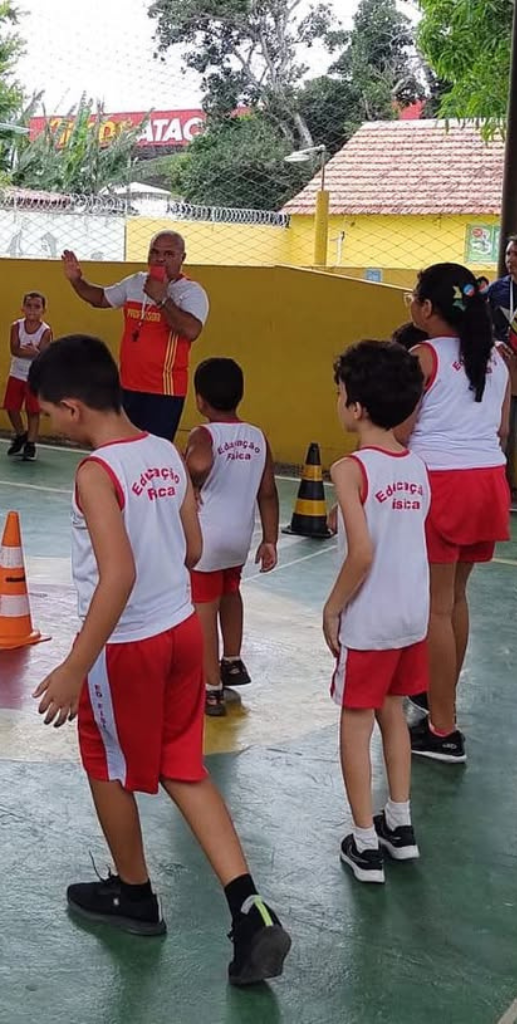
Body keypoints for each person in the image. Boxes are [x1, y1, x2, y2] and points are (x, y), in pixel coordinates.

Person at [27, 334, 290, 987]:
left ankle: (133, 892)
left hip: (128, 647)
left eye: (51, 413)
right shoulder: (164, 451)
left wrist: (72, 667)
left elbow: (115, 577)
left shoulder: (97, 472)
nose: (53, 426)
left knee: (106, 762)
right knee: (185, 768)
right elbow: (194, 549)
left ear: (73, 408)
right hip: (180, 634)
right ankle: (249, 908)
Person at [324, 341, 428, 884]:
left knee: (354, 723)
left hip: (371, 618)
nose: (338, 402)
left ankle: (364, 842)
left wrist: (333, 608)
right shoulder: (417, 465)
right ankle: (400, 825)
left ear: (357, 407)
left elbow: (362, 552)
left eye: (340, 394)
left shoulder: (350, 469)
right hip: (413, 615)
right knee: (395, 712)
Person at [402, 263, 511, 763]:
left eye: (414, 296)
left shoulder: (422, 357)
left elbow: (401, 432)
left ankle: (443, 729)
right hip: (488, 481)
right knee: (454, 601)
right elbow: (502, 431)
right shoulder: (498, 359)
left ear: (427, 308)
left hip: (441, 485)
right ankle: (435, 694)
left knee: (436, 606)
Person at [184, 358, 278, 717]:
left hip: (206, 541)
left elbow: (198, 463)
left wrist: (189, 481)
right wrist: (269, 539)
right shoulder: (257, 437)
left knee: (203, 610)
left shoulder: (203, 434)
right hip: (239, 539)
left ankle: (210, 688)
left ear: (200, 400)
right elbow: (267, 492)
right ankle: (233, 661)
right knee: (230, 592)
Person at [60, 231, 209, 441]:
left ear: (182, 258)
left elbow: (191, 331)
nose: (160, 259)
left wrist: (161, 299)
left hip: (163, 392)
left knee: (151, 454)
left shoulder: (191, 292)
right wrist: (77, 280)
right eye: (154, 252)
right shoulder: (135, 282)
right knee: (122, 448)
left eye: (168, 254)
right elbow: (101, 298)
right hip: (127, 386)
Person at [485, 236, 517, 510]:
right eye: (508, 253)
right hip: (505, 370)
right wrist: (494, 341)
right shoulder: (496, 291)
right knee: (502, 429)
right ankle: (499, 489)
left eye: (516, 254)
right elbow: (480, 324)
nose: (511, 260)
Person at [3, 291, 52, 462]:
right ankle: (21, 434)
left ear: (43, 310)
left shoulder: (45, 331)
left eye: (37, 307)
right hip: (16, 373)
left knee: (33, 411)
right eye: (29, 306)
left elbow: (42, 355)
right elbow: (14, 349)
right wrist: (32, 352)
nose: (32, 310)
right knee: (11, 407)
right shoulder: (16, 326)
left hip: (34, 376)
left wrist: (34, 353)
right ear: (22, 308)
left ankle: (31, 443)